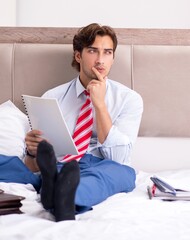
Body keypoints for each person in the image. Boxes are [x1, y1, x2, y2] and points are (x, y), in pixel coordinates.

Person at [24, 23, 143, 222]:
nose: (100, 60)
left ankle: (56, 193)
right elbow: (32, 165)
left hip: (105, 164)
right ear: (78, 56)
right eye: (92, 51)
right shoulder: (52, 97)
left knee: (123, 174)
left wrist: (100, 105)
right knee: (53, 169)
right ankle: (62, 197)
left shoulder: (129, 99)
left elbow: (119, 157)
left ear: (113, 59)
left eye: (107, 52)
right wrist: (31, 151)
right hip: (64, 162)